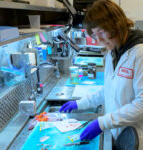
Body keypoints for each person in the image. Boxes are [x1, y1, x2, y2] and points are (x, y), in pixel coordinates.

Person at [59, 0, 143, 149]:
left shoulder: (139, 53)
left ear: (116, 25)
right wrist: (80, 104)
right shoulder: (113, 52)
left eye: (101, 32)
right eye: (95, 34)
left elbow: (141, 104)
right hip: (119, 133)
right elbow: (108, 90)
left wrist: (102, 122)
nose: (98, 40)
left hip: (136, 137)